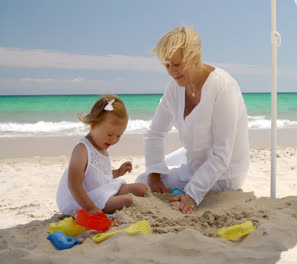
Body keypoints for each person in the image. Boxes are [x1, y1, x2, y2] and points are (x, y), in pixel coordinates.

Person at [135, 26, 250, 214]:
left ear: (195, 57)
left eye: (177, 64)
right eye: (167, 65)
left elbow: (222, 155)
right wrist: (154, 174)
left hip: (225, 174)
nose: (172, 72)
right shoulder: (175, 87)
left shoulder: (223, 86)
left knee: (158, 189)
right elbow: (155, 133)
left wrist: (192, 193)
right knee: (142, 182)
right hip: (195, 165)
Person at [56, 95, 147, 216]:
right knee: (128, 201)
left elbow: (100, 176)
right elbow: (73, 184)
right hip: (83, 199)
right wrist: (90, 208)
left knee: (141, 188)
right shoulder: (82, 149)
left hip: (101, 191)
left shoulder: (102, 146)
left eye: (119, 135)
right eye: (110, 134)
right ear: (93, 124)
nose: (114, 140)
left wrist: (118, 172)